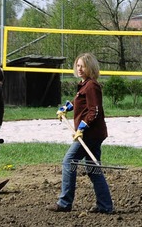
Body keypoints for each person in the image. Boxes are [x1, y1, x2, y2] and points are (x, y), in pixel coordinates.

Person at [48, 53, 114, 214]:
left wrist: (82, 127)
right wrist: (66, 108)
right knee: (93, 169)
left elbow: (94, 111)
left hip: (91, 135)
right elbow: (80, 102)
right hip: (93, 134)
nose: (79, 69)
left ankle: (64, 203)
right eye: (77, 65)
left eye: (83, 66)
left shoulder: (92, 86)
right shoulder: (85, 85)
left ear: (90, 67)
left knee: (69, 161)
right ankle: (105, 206)